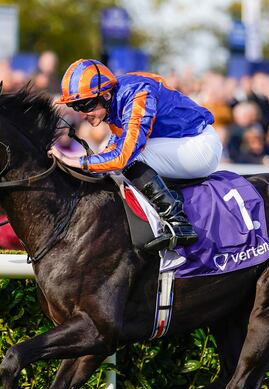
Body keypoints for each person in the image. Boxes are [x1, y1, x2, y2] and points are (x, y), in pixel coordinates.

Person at [49, 59, 222, 251]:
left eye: (86, 105)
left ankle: (177, 222)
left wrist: (73, 160)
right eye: (76, 107)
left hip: (199, 145)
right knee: (107, 153)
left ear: (106, 95)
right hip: (175, 142)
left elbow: (123, 156)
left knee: (130, 158)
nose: (82, 114)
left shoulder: (137, 94)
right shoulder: (114, 100)